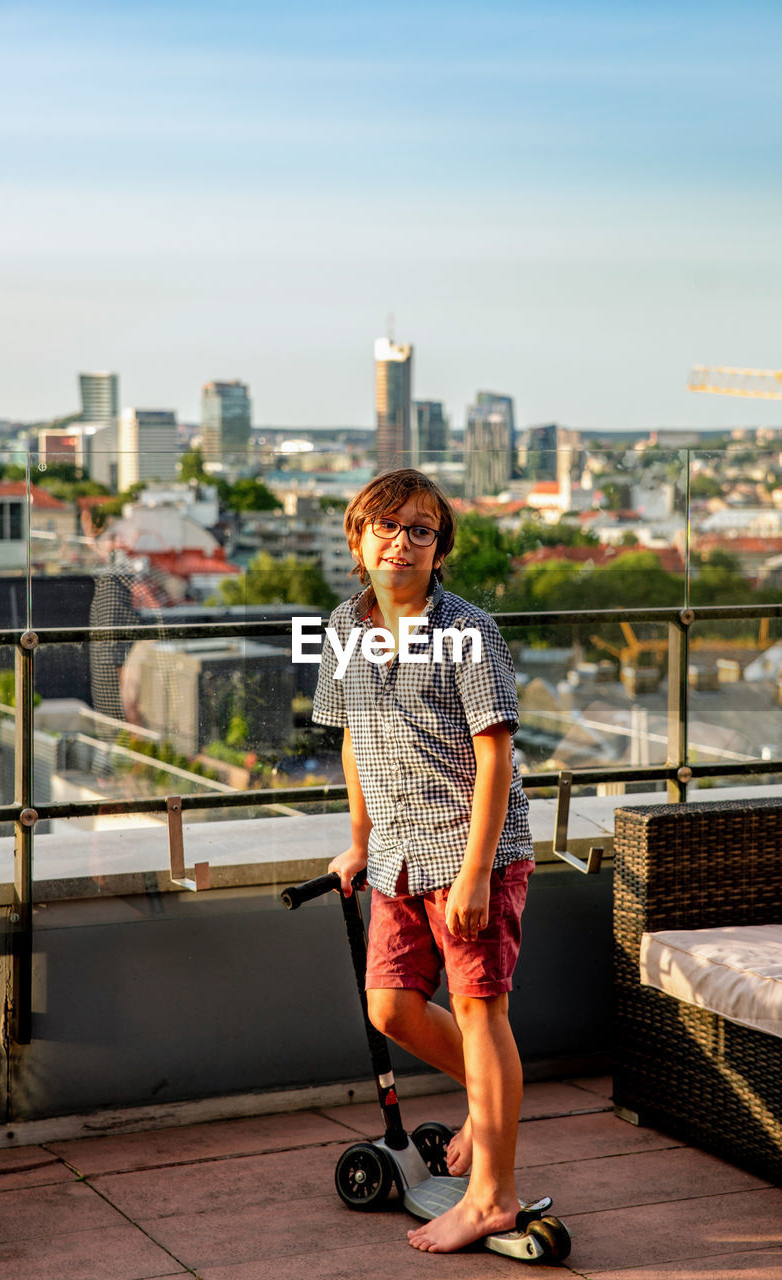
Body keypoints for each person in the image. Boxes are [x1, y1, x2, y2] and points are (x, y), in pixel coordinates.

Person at [312, 468, 534, 1254]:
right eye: (385, 527)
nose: (400, 542)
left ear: (440, 550)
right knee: (390, 1006)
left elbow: (496, 755)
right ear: (357, 540)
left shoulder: (470, 630)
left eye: (420, 530)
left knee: (481, 1013)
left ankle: (492, 1199)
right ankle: (486, 1097)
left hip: (470, 851)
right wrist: (362, 838)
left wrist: (475, 873)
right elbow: (352, 738)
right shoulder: (344, 627)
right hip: (397, 854)